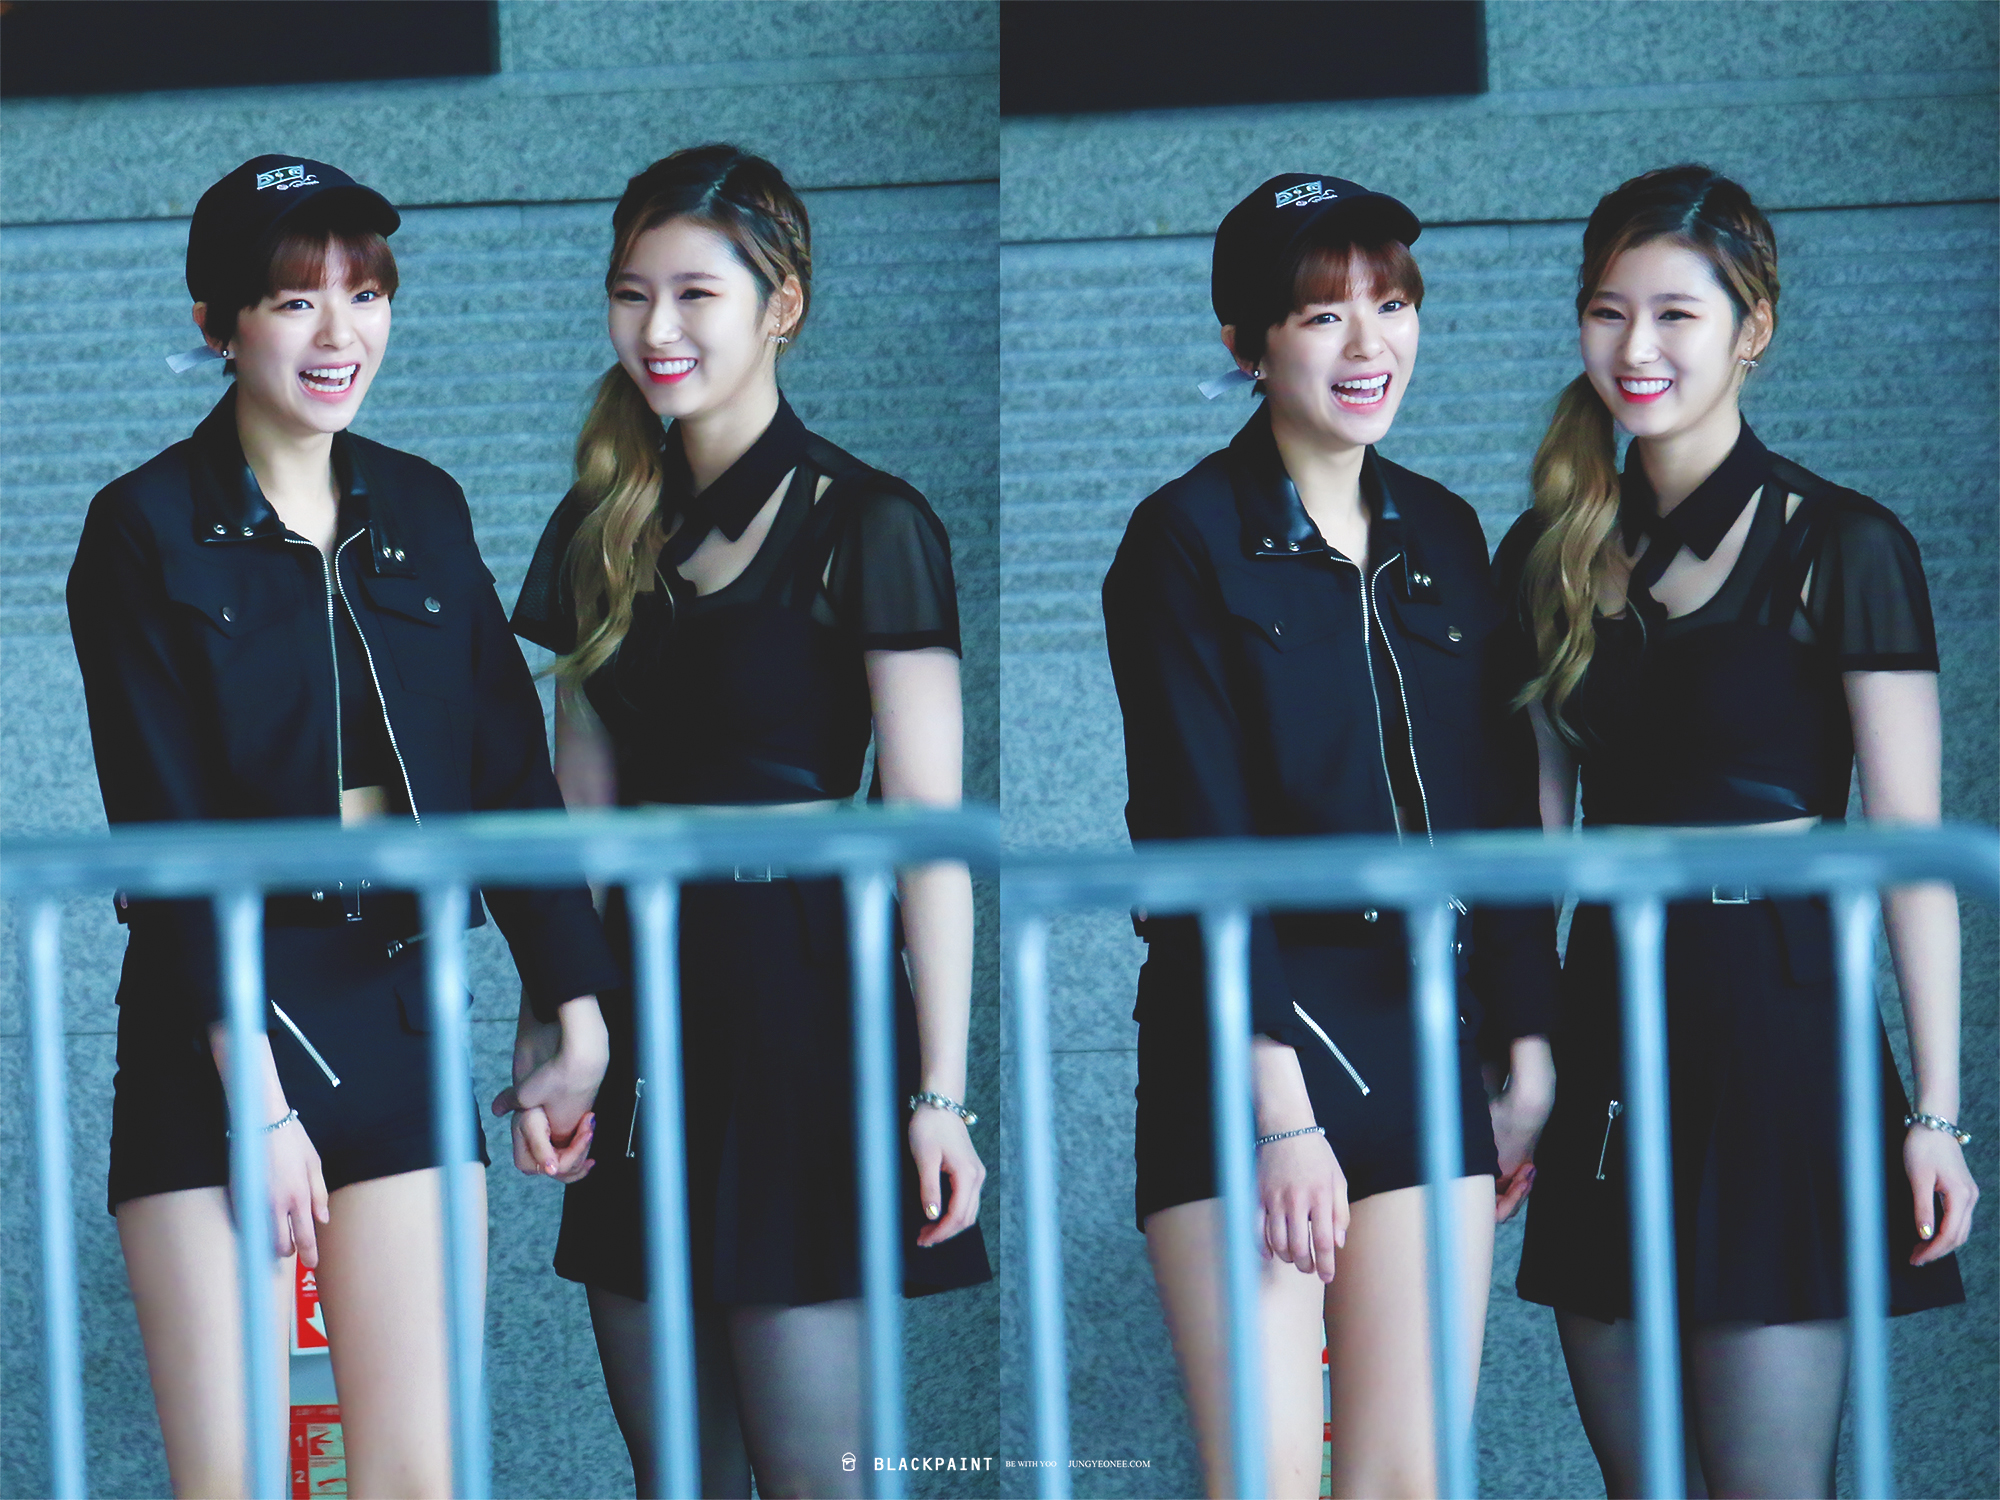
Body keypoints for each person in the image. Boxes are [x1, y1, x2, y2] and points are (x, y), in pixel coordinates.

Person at [66, 155, 619, 1497]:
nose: (340, 334)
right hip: (215, 1037)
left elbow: (506, 768)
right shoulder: (141, 531)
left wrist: (575, 1002)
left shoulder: (422, 507)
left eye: (366, 296)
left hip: (397, 1016)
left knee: (419, 1478)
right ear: (217, 323)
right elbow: (166, 838)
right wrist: (255, 1104)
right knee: (234, 1480)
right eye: (294, 301)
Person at [506, 143, 992, 1500]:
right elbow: (576, 819)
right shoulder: (598, 527)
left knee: (816, 1475)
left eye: (696, 293)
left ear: (783, 305)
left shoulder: (872, 522)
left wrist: (941, 1095)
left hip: (805, 1011)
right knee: (680, 1478)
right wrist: (550, 1024)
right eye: (632, 293)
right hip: (640, 1015)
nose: (657, 329)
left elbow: (929, 836)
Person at [1501, 164, 1976, 1499]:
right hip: (1608, 1023)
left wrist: (1938, 1111)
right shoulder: (1545, 554)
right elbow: (1526, 853)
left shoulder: (1847, 545)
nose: (1635, 348)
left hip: (1779, 1032)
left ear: (1752, 327)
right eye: (1608, 312)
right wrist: (1522, 1064)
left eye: (1676, 314)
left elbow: (1911, 852)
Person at [1099, 173, 1559, 1500]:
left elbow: (1499, 815)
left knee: (1407, 1479)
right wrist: (1279, 1114)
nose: (1371, 345)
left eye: (1394, 306)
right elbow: (1193, 831)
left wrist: (1527, 1048)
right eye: (1322, 316)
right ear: (1247, 345)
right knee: (1269, 1480)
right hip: (1246, 1048)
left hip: (1425, 1038)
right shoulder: (1182, 541)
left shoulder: (1450, 534)